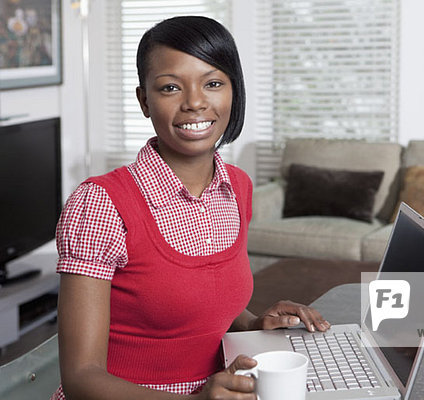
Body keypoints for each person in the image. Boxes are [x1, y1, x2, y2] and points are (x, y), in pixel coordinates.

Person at [52, 16, 330, 400]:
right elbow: (81, 378)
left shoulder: (238, 186)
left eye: (213, 83)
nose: (196, 102)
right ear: (144, 100)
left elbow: (205, 313)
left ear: (234, 91)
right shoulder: (101, 204)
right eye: (170, 87)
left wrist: (256, 325)